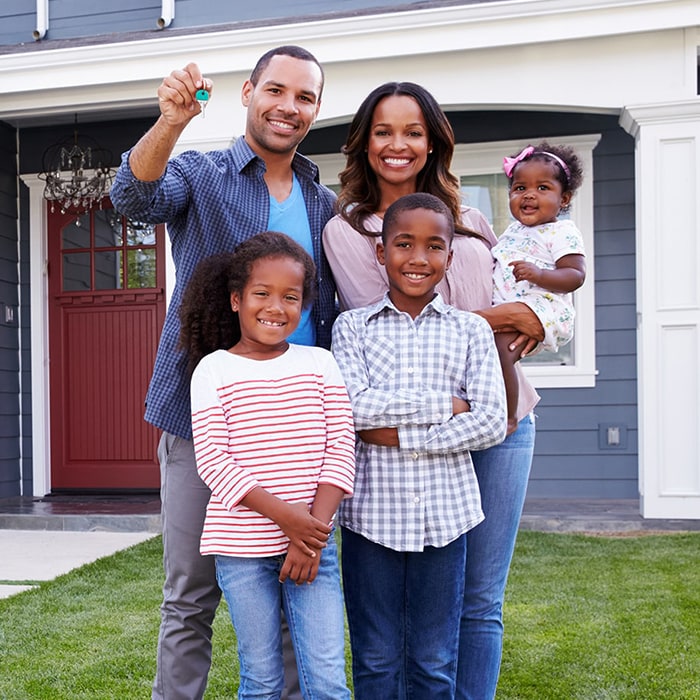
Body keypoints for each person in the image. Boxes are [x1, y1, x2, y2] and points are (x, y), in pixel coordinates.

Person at [109, 45, 336, 700]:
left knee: (297, 589)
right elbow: (134, 196)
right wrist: (171, 121)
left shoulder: (321, 200)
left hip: (295, 429)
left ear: (315, 109)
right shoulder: (202, 174)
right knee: (189, 598)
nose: (289, 106)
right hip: (200, 421)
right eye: (277, 90)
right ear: (248, 92)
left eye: (305, 97)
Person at [322, 81, 543, 700]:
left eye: (413, 131)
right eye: (384, 131)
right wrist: (502, 320)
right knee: (391, 632)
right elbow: (401, 321)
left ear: (433, 141)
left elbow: (502, 306)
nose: (399, 145)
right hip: (420, 424)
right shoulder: (349, 229)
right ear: (365, 143)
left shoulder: (469, 217)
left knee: (480, 600)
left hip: (503, 413)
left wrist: (534, 316)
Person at [331, 192, 507, 699]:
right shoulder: (353, 328)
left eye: (434, 247)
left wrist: (400, 434)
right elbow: (354, 410)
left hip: (446, 519)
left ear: (450, 258)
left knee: (434, 660)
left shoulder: (472, 330)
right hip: (372, 520)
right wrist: (448, 406)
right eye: (403, 244)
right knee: (376, 657)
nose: (418, 258)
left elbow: (492, 422)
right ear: (380, 253)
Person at [179, 232, 355, 699]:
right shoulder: (213, 370)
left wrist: (311, 534)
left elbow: (340, 449)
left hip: (314, 545)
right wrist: (289, 519)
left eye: (291, 296)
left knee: (328, 682)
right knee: (261, 680)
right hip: (241, 550)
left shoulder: (320, 364)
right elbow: (214, 461)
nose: (276, 307)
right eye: (262, 293)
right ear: (237, 299)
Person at [494, 143, 586, 434]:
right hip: (515, 306)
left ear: (565, 199)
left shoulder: (563, 232)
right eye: (519, 188)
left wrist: (540, 274)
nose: (529, 194)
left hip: (545, 306)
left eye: (543, 188)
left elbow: (575, 275)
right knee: (490, 351)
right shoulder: (512, 232)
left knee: (501, 352)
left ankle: (510, 416)